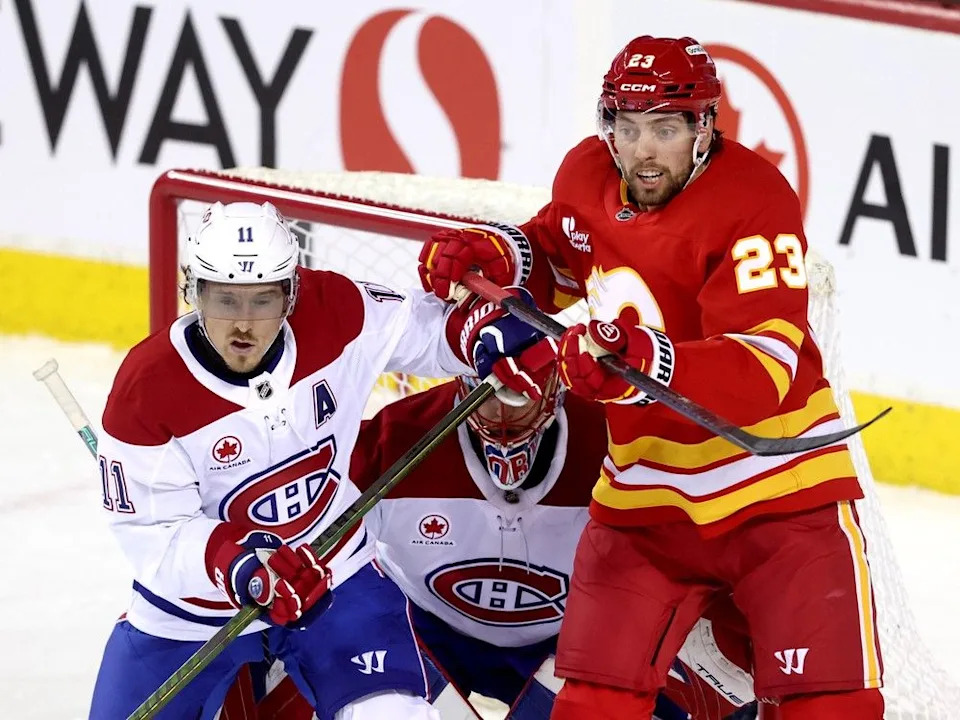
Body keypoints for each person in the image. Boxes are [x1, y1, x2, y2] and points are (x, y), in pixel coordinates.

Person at [418, 36, 884, 720]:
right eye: (627, 128)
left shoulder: (755, 202)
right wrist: (495, 254)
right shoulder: (584, 174)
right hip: (645, 496)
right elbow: (559, 253)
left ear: (703, 129)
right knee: (591, 705)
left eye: (664, 130)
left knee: (831, 709)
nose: (642, 151)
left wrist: (641, 358)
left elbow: (765, 370)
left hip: (777, 497)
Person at [88, 200, 554, 720]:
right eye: (225, 300)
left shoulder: (335, 311)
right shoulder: (146, 388)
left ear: (291, 292)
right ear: (193, 292)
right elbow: (153, 532)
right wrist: (241, 566)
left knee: (394, 715)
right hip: (192, 614)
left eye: (262, 300)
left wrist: (480, 337)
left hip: (332, 576)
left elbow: (421, 331)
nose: (243, 325)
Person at [226, 370, 759, 720]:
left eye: (523, 394)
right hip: (423, 631)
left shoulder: (618, 450)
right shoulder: (397, 440)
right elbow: (292, 538)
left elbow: (705, 558)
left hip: (569, 644)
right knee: (282, 661)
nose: (504, 417)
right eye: (492, 391)